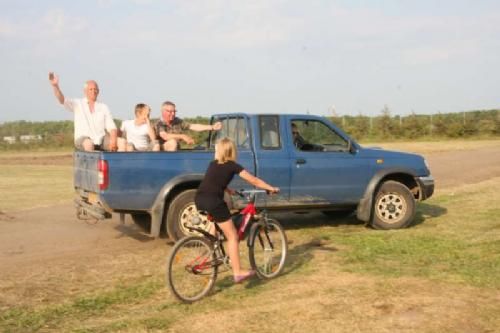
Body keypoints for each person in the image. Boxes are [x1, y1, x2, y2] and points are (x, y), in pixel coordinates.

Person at [195, 137, 279, 283]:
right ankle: (237, 272)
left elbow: (213, 180)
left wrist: (228, 189)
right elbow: (253, 180)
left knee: (218, 223)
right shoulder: (233, 166)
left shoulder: (213, 164)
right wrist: (270, 188)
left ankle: (207, 251)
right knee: (232, 236)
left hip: (200, 198)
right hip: (214, 202)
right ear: (232, 151)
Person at [48, 72, 118, 151]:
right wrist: (55, 86)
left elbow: (112, 127)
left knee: (122, 143)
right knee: (89, 144)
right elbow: (62, 100)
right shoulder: (78, 104)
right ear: (85, 91)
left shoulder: (103, 107)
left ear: (98, 91)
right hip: (83, 139)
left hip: (100, 139)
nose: (93, 91)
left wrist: (113, 141)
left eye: (95, 89)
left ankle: (119, 163)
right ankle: (92, 163)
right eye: (90, 89)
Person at [156, 101, 223, 151]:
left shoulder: (178, 121)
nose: (173, 114)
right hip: (161, 154)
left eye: (174, 111)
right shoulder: (159, 123)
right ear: (163, 111)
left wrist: (212, 127)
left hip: (176, 152)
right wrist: (183, 136)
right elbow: (165, 136)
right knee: (172, 142)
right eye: (170, 111)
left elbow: (193, 126)